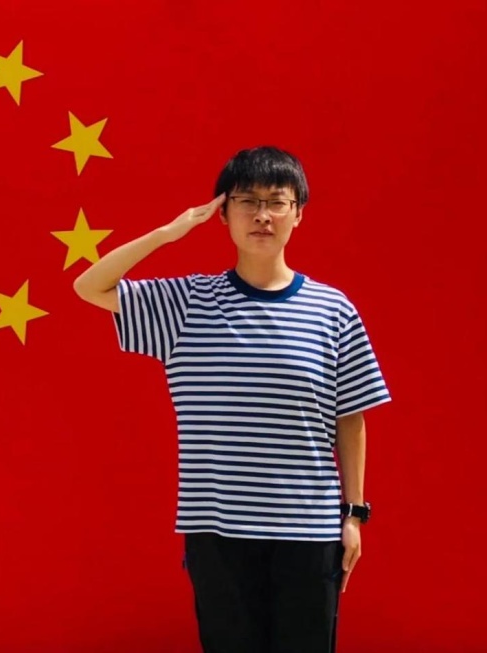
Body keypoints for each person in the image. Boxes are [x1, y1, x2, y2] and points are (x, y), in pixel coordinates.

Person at [73, 146, 391, 653]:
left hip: (309, 530)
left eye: (277, 201)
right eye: (247, 201)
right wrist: (167, 233)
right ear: (222, 213)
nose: (263, 215)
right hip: (218, 530)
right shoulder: (186, 304)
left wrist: (353, 516)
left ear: (298, 214)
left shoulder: (333, 310)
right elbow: (89, 286)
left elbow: (350, 418)